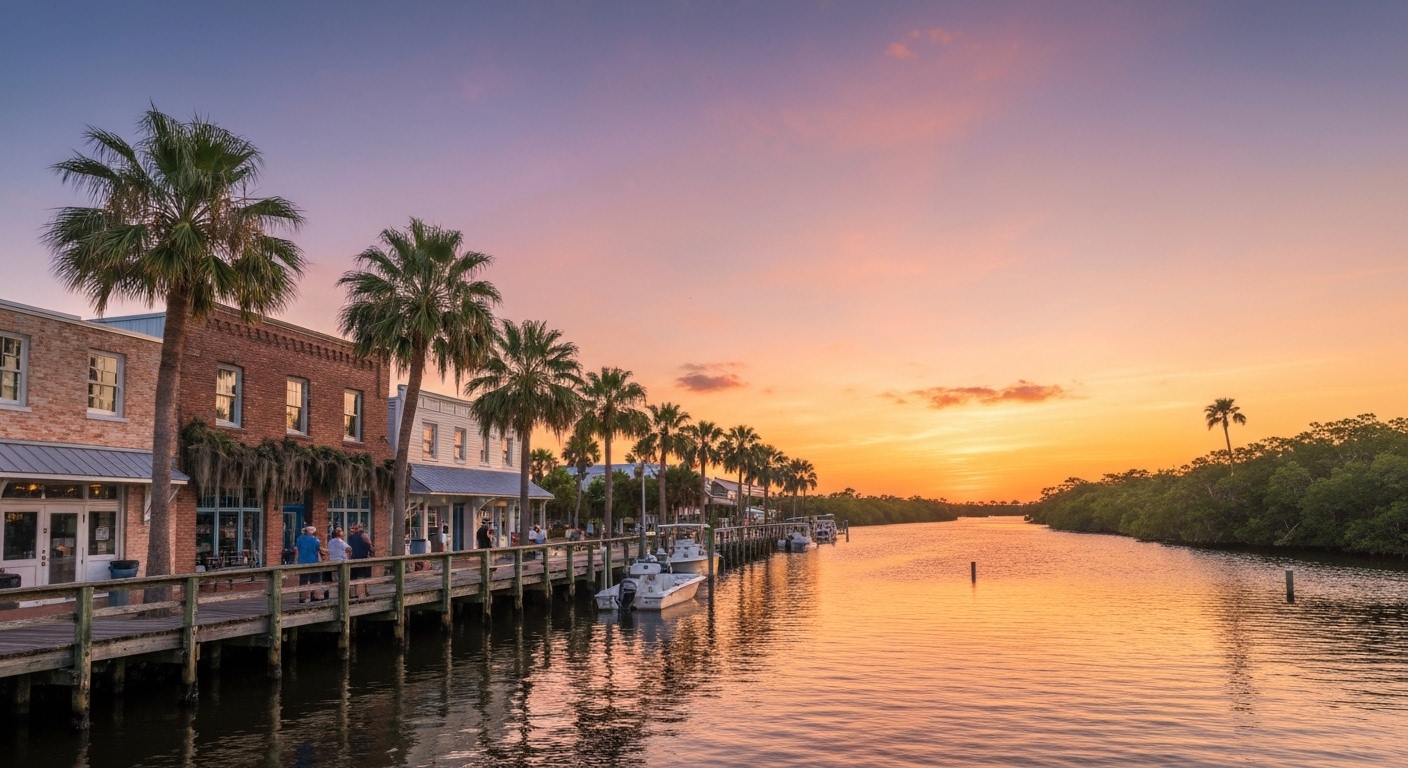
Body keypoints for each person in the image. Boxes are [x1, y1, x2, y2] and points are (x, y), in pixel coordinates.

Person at [295, 525, 323, 602]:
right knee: (315, 580)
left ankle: (303, 598)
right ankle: (315, 596)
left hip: (302, 562)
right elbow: (317, 551)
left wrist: (295, 562)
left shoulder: (299, 539)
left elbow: (297, 550)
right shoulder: (316, 540)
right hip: (313, 562)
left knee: (303, 580)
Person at [347, 523, 374, 598]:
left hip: (355, 558)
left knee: (355, 577)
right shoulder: (363, 535)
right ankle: (364, 592)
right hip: (362, 558)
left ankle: (355, 593)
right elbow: (370, 545)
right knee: (363, 577)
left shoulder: (351, 537)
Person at [327, 526, 348, 599]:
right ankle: (342, 596)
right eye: (341, 531)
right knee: (342, 579)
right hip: (341, 562)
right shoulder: (341, 542)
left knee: (336, 579)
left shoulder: (330, 541)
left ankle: (337, 595)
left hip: (333, 562)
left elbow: (329, 550)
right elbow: (349, 548)